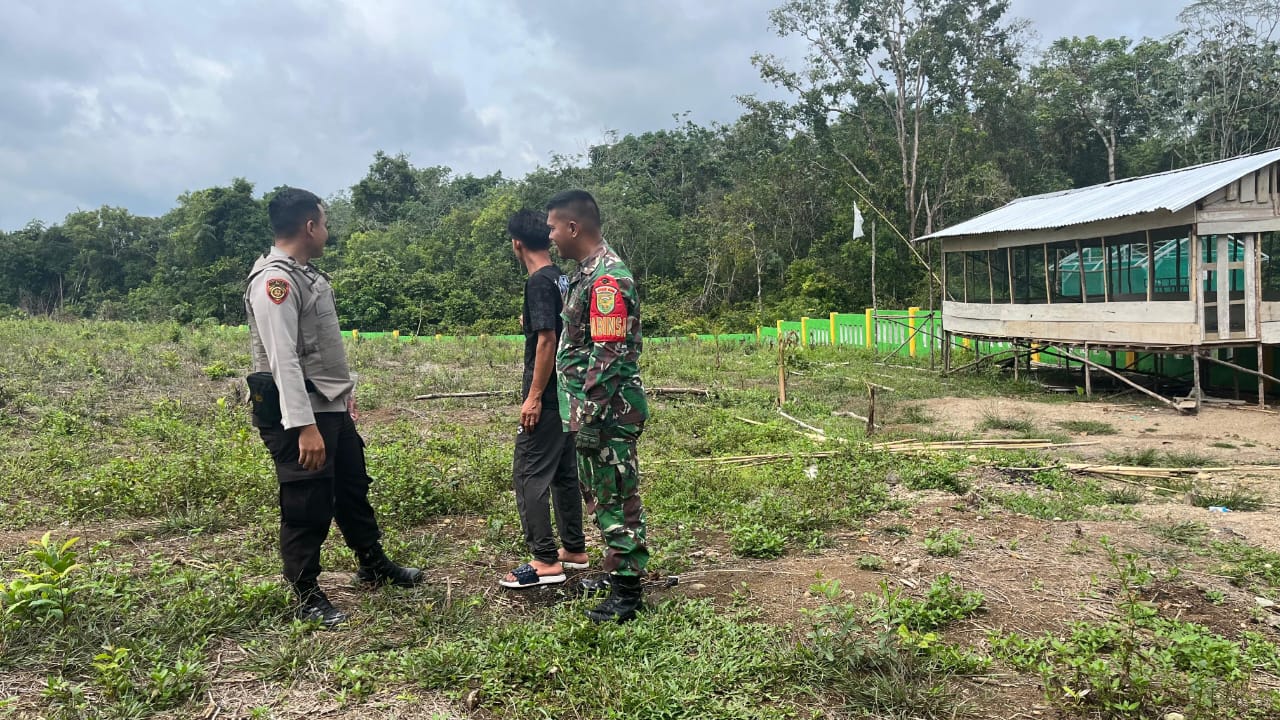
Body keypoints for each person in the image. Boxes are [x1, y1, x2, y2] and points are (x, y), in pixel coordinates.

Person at [244, 187, 423, 628]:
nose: (327, 230)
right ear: (309, 226)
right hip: (300, 412)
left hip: (329, 405)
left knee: (351, 486)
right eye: (324, 223)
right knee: (308, 501)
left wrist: (342, 399)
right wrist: (303, 427)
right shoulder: (275, 282)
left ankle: (372, 563)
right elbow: (283, 359)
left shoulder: (305, 275)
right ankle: (305, 593)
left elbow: (320, 351)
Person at [547, 189, 651, 623]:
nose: (550, 236)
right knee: (601, 495)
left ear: (573, 227)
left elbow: (608, 354)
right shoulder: (585, 274)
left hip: (607, 413)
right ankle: (615, 570)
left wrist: (589, 415)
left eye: (553, 227)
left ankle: (628, 592)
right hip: (591, 413)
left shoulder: (607, 278)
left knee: (616, 495)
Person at [499, 209, 590, 589]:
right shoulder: (562, 279)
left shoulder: (538, 282)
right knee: (564, 473)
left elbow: (547, 340)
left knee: (529, 474)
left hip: (548, 397)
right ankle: (574, 549)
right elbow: (559, 326)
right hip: (569, 393)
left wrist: (534, 397)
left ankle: (545, 560)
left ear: (517, 243)